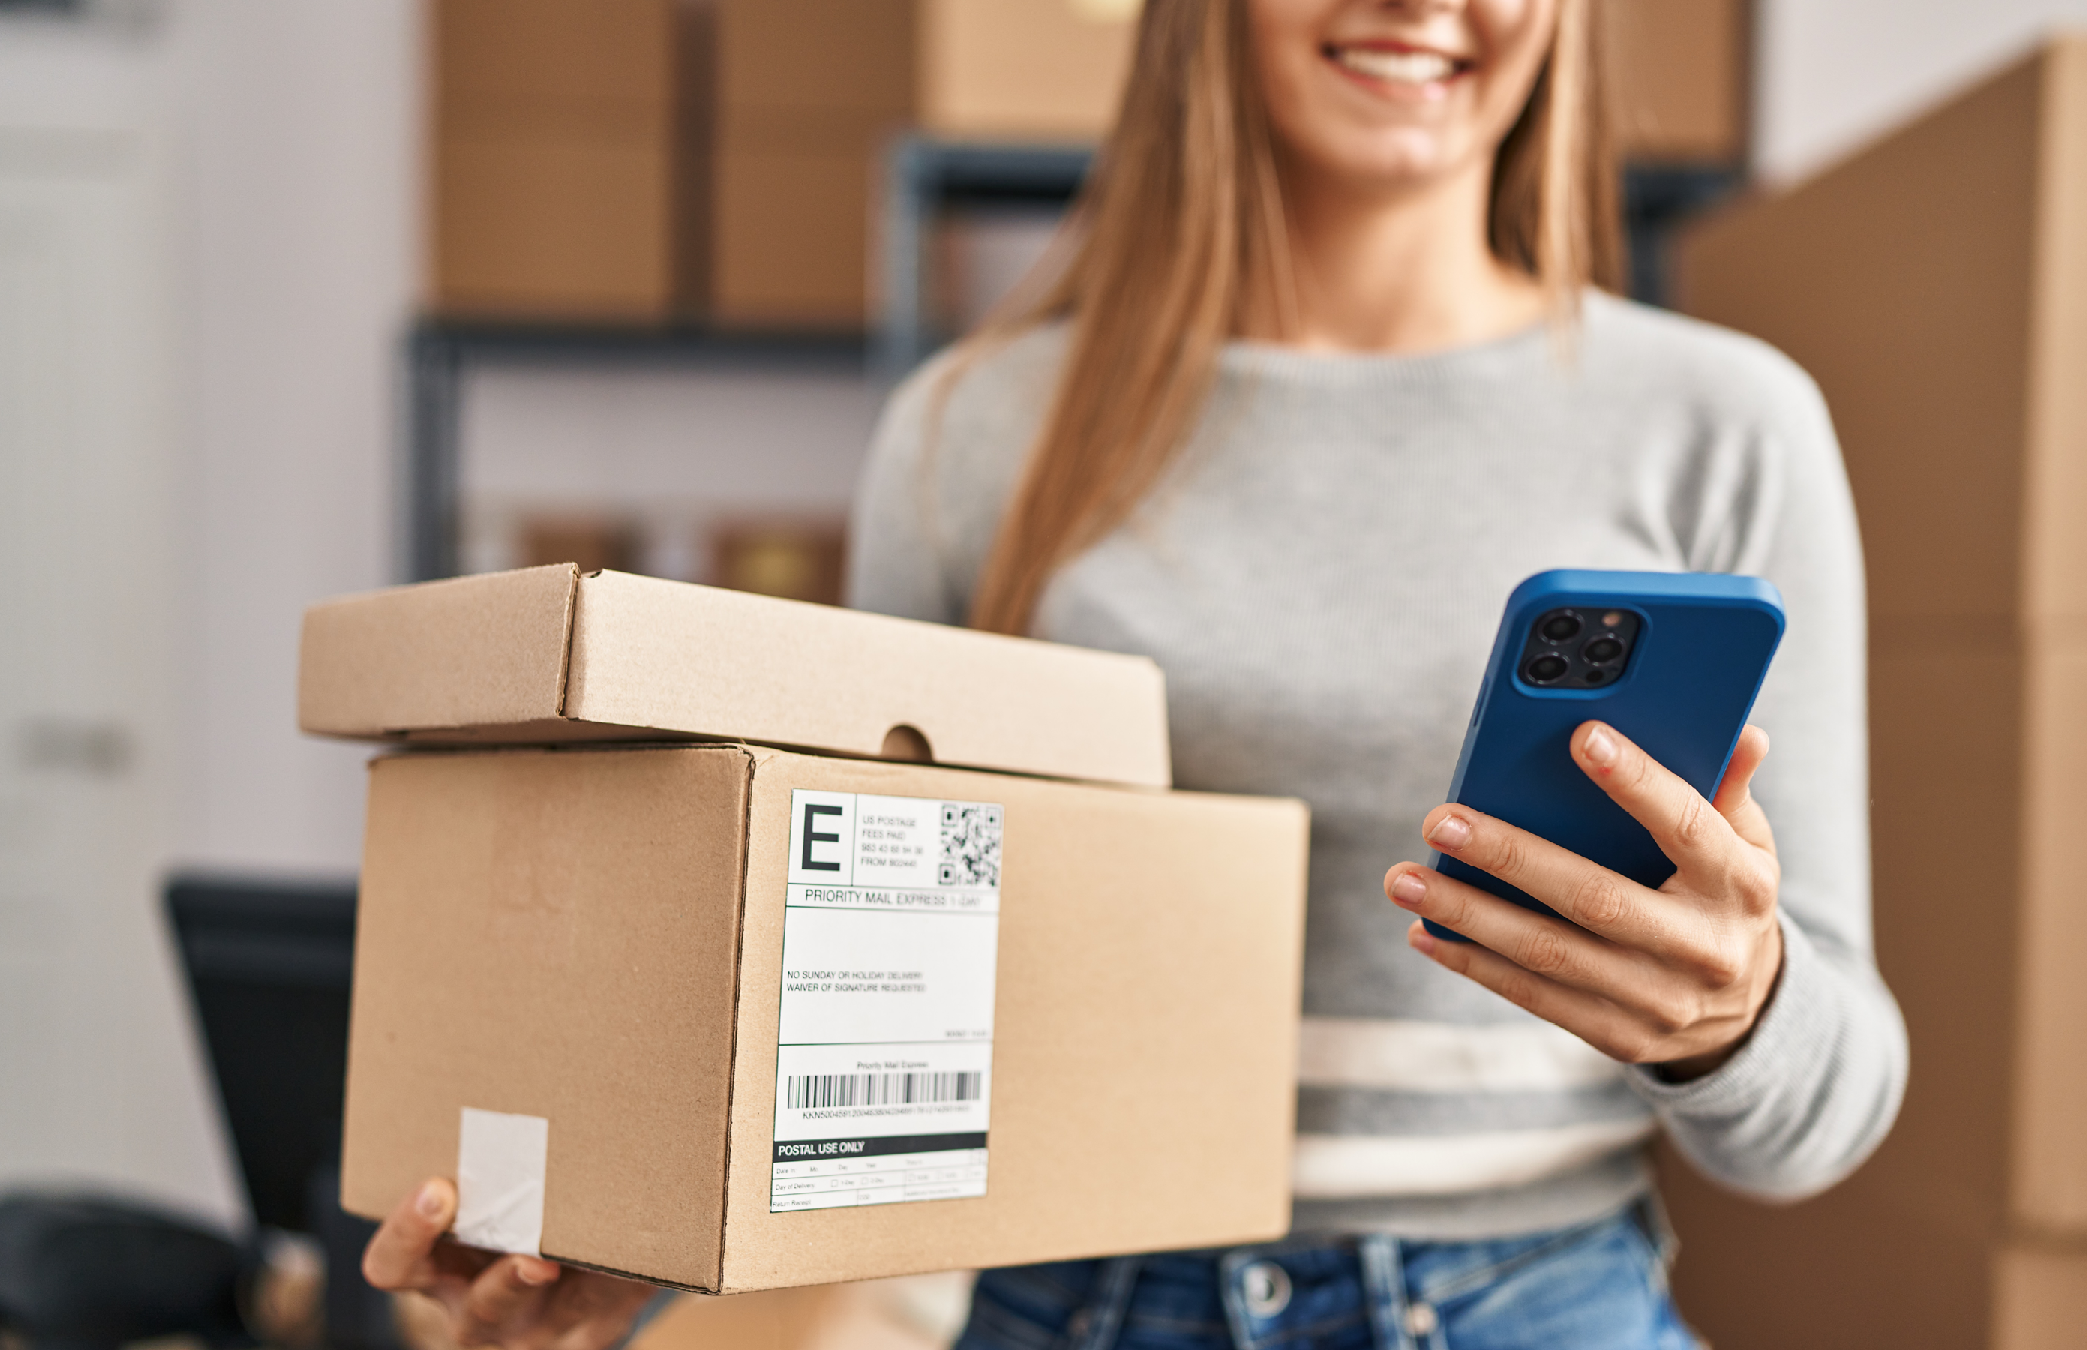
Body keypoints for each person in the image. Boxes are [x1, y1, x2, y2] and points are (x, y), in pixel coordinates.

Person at [366, 0, 1908, 1345]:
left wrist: (1740, 1007)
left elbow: (1827, 1116)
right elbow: (828, 993)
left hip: (1536, 1297)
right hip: (1073, 1303)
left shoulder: (1720, 423)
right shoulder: (973, 431)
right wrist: (637, 1250)